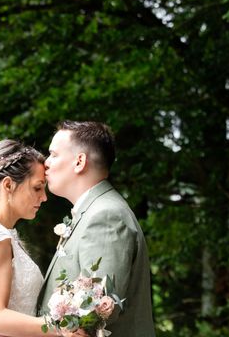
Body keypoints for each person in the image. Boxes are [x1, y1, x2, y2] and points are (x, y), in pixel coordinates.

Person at [37, 121, 155, 337]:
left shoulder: (106, 216)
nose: (46, 163)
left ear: (79, 162)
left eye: (53, 154)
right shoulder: (94, 212)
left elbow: (95, 314)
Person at [0, 139, 82, 337]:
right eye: (37, 188)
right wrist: (60, 328)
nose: (44, 197)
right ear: (9, 185)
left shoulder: (2, 234)